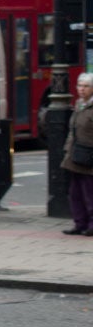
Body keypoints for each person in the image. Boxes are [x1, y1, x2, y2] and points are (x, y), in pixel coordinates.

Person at [63, 72, 93, 235]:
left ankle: (91, 224)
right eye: (79, 86)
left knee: (89, 191)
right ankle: (79, 222)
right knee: (75, 192)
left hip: (89, 155)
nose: (82, 89)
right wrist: (68, 150)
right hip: (75, 154)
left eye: (86, 86)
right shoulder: (79, 104)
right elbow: (72, 131)